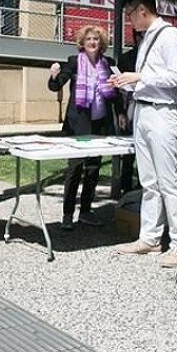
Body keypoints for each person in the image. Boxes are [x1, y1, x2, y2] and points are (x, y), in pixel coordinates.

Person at [109, 0, 177, 268]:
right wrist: (127, 82)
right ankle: (150, 237)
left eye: (130, 13)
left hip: (163, 113)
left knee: (169, 181)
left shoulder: (168, 35)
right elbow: (152, 79)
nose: (129, 19)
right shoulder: (147, 39)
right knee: (149, 182)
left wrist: (139, 75)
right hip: (144, 110)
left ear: (142, 9)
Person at [48, 25, 118, 230]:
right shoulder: (74, 62)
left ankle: (86, 211)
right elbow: (56, 85)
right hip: (78, 125)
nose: (92, 42)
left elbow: (115, 92)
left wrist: (121, 113)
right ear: (82, 43)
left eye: (96, 39)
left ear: (101, 42)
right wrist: (54, 75)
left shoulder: (108, 64)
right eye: (88, 39)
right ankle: (68, 214)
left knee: (94, 168)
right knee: (75, 168)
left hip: (99, 124)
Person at [115, 28, 144, 194]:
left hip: (149, 106)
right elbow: (118, 88)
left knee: (145, 149)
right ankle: (125, 186)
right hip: (130, 105)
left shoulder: (153, 57)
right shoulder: (126, 58)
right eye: (139, 36)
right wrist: (120, 112)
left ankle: (142, 185)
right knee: (128, 150)